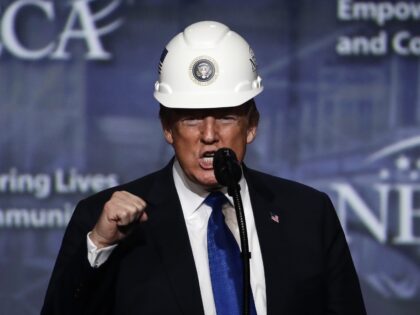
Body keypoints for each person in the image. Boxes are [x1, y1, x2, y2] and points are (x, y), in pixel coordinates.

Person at [41, 21, 367, 315]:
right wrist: (100, 245)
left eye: (225, 116)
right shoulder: (103, 220)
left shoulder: (309, 214)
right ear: (167, 128)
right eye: (191, 117)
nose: (209, 136)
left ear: (251, 125)